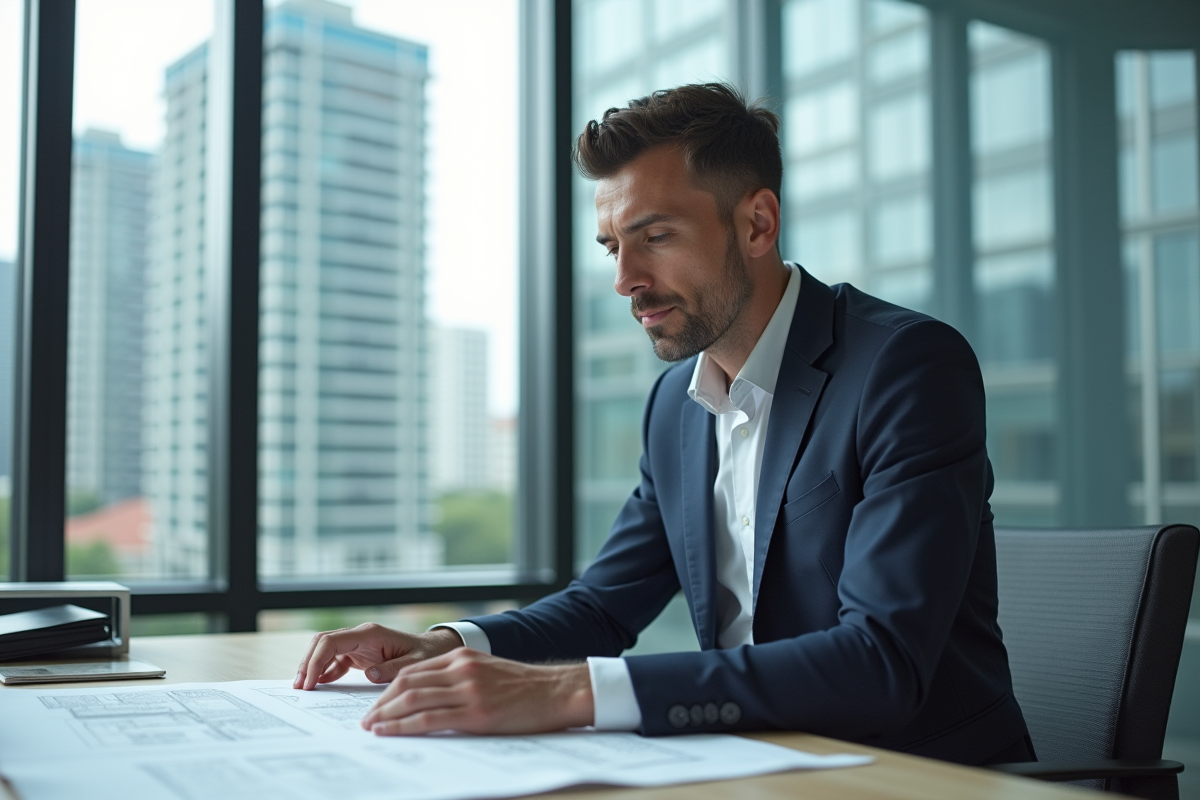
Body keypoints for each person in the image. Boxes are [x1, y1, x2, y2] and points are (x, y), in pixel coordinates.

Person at [294, 83, 1035, 766]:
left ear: (757, 223)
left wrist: (563, 692)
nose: (625, 281)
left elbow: (879, 662)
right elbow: (603, 604)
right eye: (615, 247)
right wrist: (443, 644)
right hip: (748, 765)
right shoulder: (674, 403)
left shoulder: (903, 366)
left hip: (916, 773)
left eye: (656, 237)